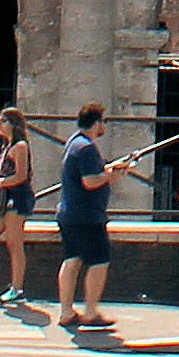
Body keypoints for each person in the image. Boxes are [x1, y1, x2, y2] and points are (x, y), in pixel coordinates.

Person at [54, 102, 144, 334]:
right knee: (99, 261)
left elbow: (93, 172)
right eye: (103, 121)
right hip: (87, 216)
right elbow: (91, 181)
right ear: (96, 123)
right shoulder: (87, 148)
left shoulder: (74, 143)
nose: (104, 125)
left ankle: (66, 312)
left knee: (72, 260)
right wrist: (114, 176)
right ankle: (90, 312)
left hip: (69, 213)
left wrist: (112, 168)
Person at [0, 107, 38, 304]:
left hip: (18, 199)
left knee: (14, 242)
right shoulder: (6, 147)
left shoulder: (20, 146)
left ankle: (17, 288)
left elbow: (21, 176)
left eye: (3, 121)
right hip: (5, 200)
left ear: (13, 124)